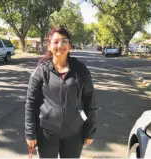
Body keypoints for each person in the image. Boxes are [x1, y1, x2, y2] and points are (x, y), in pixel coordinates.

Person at [25, 26, 97, 158]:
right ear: (49, 45)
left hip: (75, 133)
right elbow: (31, 103)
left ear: (69, 45)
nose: (60, 45)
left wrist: (90, 130)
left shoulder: (81, 70)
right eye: (56, 41)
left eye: (64, 41)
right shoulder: (41, 71)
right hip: (46, 132)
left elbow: (90, 101)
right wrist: (30, 133)